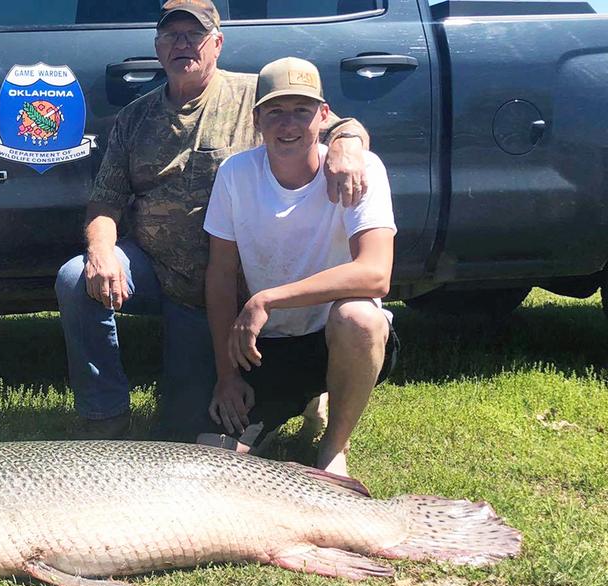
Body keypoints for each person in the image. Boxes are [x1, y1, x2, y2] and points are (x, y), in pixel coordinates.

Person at [54, 0, 370, 441]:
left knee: (185, 431)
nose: (183, 44)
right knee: (74, 279)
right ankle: (104, 413)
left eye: (194, 35)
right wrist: (101, 250)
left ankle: (307, 387)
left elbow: (332, 124)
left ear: (217, 43)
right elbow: (105, 202)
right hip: (156, 272)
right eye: (172, 36)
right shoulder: (134, 118)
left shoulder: (256, 97)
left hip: (232, 285)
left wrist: (348, 146)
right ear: (158, 47)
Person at [201, 57, 399, 477]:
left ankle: (333, 447)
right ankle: (305, 396)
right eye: (274, 111)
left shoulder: (364, 170)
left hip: (335, 333)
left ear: (324, 116)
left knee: (359, 316)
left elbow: (376, 273)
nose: (287, 124)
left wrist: (267, 299)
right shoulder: (236, 174)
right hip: (268, 346)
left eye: (301, 111)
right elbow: (219, 276)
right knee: (214, 456)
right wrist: (226, 374)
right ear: (256, 119)